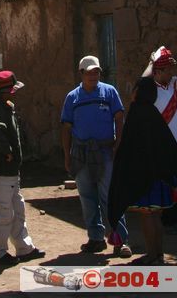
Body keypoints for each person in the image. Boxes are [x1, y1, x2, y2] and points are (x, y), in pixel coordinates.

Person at [60, 55, 131, 258]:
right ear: (81, 74)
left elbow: (119, 118)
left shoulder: (109, 92)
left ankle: (120, 239)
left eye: (96, 72)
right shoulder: (72, 97)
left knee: (110, 196)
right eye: (89, 72)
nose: (93, 76)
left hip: (105, 152)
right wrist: (67, 155)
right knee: (87, 197)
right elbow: (66, 127)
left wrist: (118, 144)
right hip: (81, 154)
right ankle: (96, 238)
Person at [108, 76, 177, 265]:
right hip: (160, 176)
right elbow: (168, 145)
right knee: (156, 215)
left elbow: (130, 146)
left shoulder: (136, 113)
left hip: (144, 178)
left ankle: (151, 255)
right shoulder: (154, 113)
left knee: (147, 215)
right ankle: (159, 254)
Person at [0, 70, 45, 267]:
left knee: (17, 210)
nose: (14, 93)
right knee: (2, 212)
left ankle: (24, 248)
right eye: (11, 90)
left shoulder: (3, 106)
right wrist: (7, 151)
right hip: (1, 170)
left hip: (8, 172)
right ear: (4, 92)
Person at [143, 46, 177, 232]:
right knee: (167, 183)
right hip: (162, 144)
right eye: (167, 69)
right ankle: (168, 219)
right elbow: (141, 82)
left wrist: (171, 62)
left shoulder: (175, 84)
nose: (170, 72)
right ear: (158, 71)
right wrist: (152, 61)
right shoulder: (149, 90)